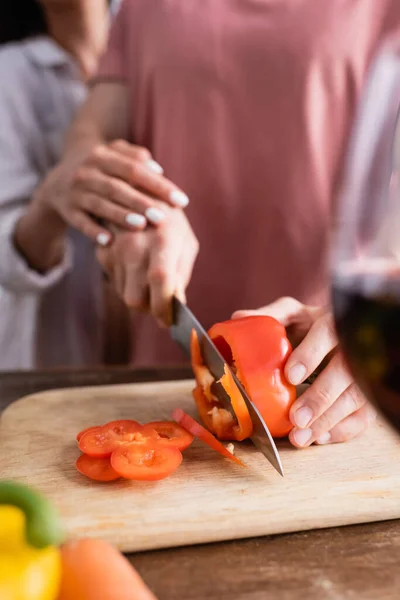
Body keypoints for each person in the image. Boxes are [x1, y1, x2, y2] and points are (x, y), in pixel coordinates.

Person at [4, 1, 400, 446]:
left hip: (325, 372)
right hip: (156, 372)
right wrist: (131, 201)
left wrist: (376, 322)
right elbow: (89, 140)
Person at [0, 0, 123, 368]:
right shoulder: (7, 74)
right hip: (50, 349)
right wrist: (52, 201)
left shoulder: (157, 41)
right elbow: (7, 254)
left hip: (151, 341)